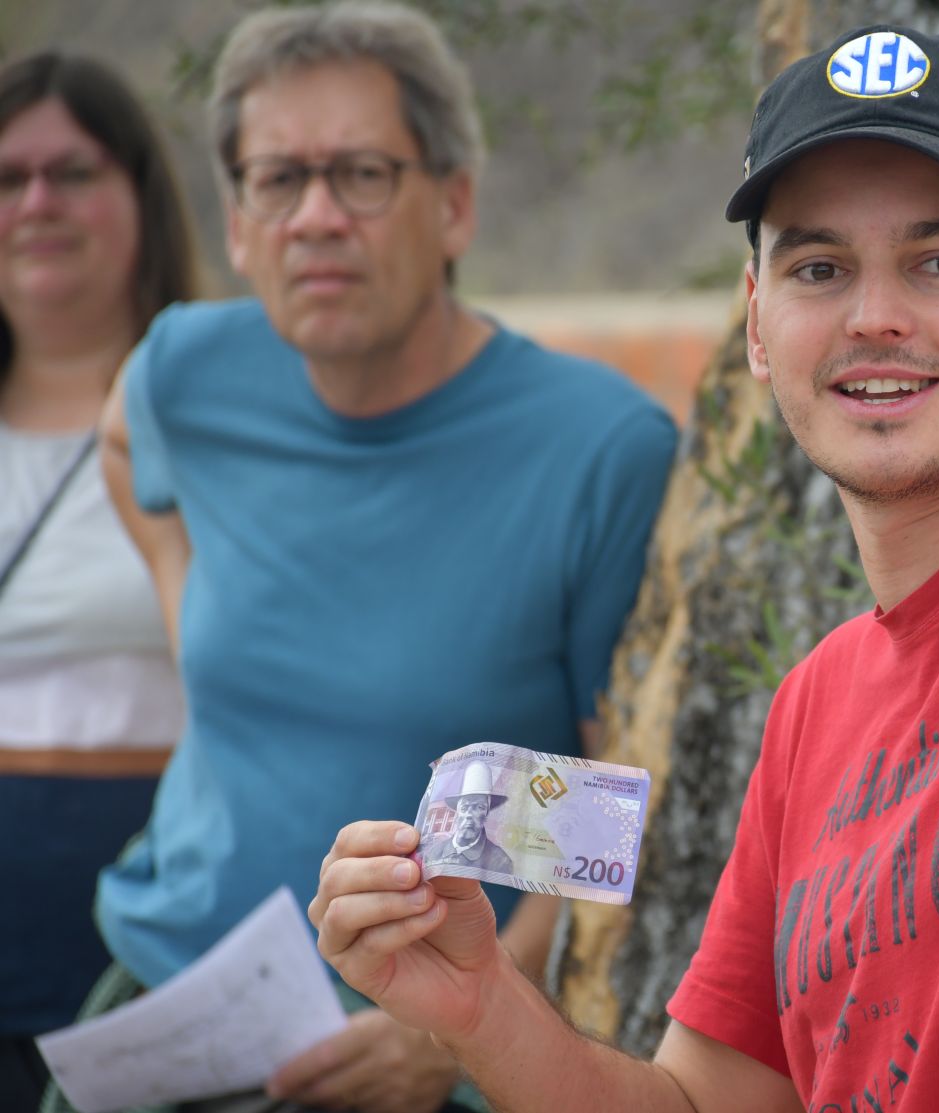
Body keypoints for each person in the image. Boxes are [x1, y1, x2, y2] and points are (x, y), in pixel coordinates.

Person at [311, 23, 939, 1113]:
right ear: (759, 328)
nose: (875, 316)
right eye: (819, 268)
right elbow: (702, 1102)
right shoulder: (815, 703)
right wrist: (480, 1007)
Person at [58, 3, 676, 1112]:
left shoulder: (597, 450)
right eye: (276, 180)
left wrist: (452, 1037)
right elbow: (121, 444)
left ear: (453, 205)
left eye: (360, 174)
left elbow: (616, 814)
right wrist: (194, 609)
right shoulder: (187, 375)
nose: (316, 217)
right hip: (168, 1002)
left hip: (425, 1050)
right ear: (237, 224)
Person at [0, 51, 198, 1112]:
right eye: (7, 177)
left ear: (139, 197)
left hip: (141, 956)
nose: (36, 203)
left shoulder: (219, 419)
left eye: (72, 173)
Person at [421, 761, 514, 875]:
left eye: (479, 807)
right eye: (465, 807)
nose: (469, 814)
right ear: (457, 811)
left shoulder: (500, 861)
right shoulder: (434, 854)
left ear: (486, 812)